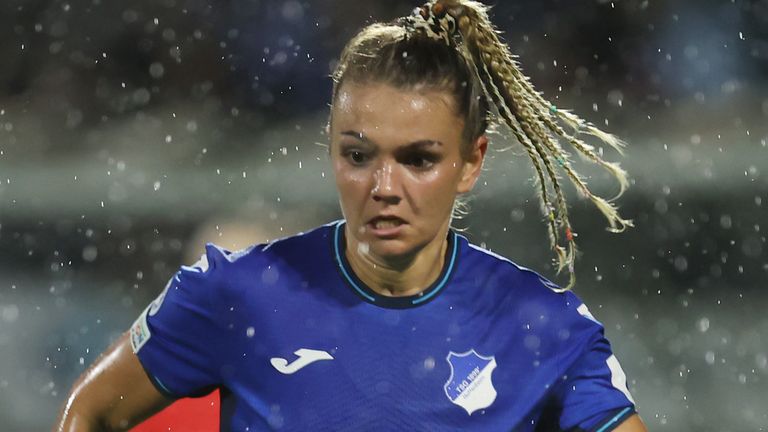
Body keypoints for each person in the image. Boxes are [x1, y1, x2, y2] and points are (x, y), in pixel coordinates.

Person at [55, 1, 647, 430]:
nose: (383, 187)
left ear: (471, 162)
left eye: (418, 159)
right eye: (359, 156)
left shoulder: (543, 327)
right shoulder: (236, 294)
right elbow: (91, 412)